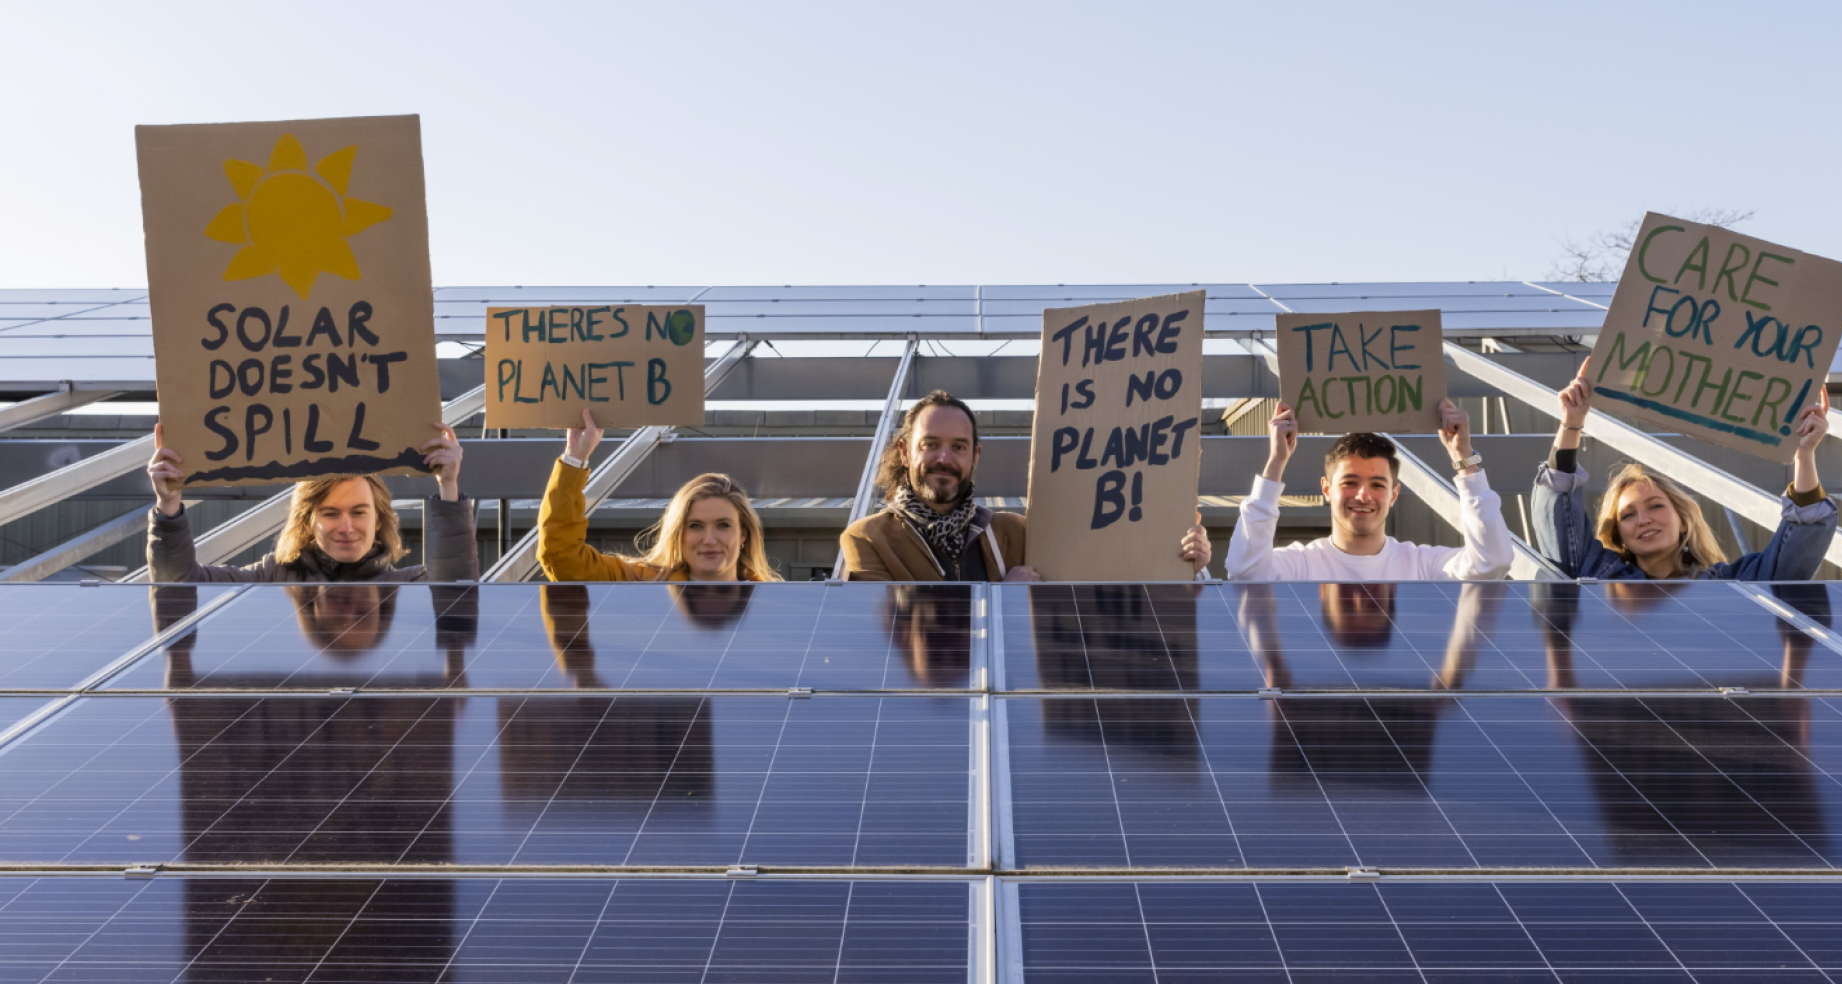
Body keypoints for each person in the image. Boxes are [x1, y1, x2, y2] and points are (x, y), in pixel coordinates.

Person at [839, 390, 1211, 581]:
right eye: (930, 444)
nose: (944, 459)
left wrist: (1180, 559)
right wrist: (1001, 602)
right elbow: (894, 633)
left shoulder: (1013, 532)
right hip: (915, 709)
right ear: (905, 452)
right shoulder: (867, 539)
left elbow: (1099, 574)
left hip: (1008, 710)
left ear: (975, 456)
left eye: (959, 447)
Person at [1532, 358, 1837, 580]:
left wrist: (1803, 453)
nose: (1644, 520)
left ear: (1683, 521)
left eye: (1655, 506)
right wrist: (1571, 424)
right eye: (1627, 515)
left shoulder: (1734, 587)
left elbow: (1799, 546)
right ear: (1619, 535)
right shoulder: (1596, 576)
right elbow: (1558, 513)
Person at [146, 421, 478, 582]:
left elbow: (455, 586)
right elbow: (179, 586)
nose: (346, 527)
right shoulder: (272, 579)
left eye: (359, 512)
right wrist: (169, 505)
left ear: (379, 520)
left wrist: (448, 486)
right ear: (308, 521)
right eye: (330, 513)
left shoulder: (407, 587)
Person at [1226, 399, 1513, 581]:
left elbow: (1492, 563)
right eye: (1349, 482)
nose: (1363, 496)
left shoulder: (1422, 566)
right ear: (1326, 489)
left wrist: (1464, 459)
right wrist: (1276, 461)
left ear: (1394, 494)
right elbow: (1244, 571)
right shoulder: (1301, 565)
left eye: (1377, 485)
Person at [537, 408, 781, 581]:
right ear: (678, 533)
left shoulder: (779, 604)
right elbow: (562, 556)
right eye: (695, 526)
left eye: (723, 525)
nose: (709, 539)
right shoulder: (642, 584)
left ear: (743, 535)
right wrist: (575, 458)